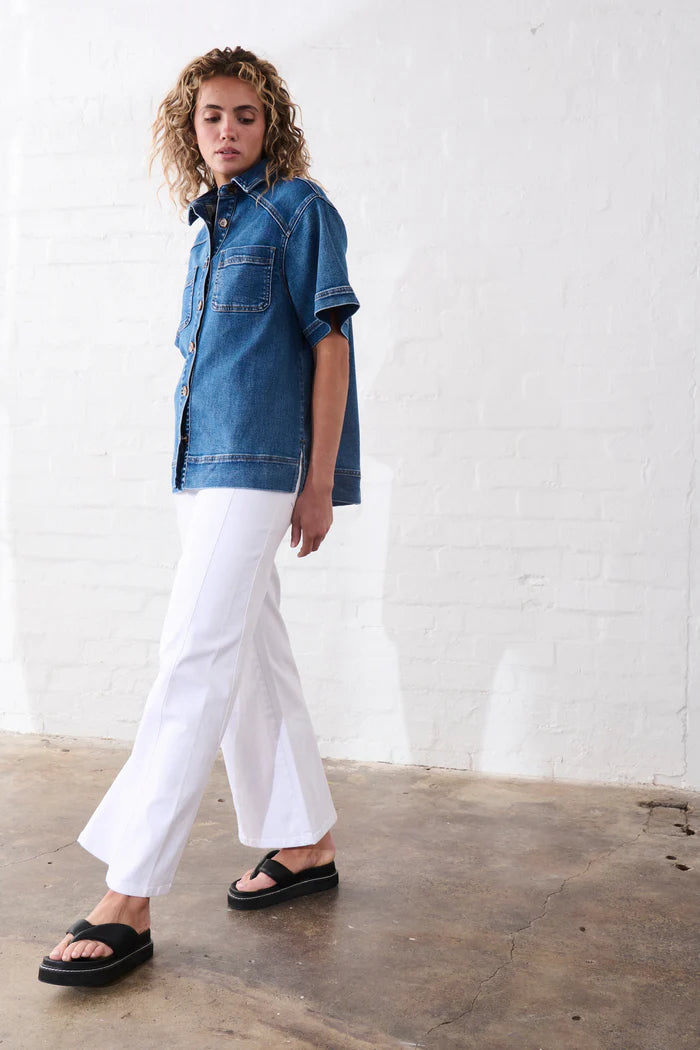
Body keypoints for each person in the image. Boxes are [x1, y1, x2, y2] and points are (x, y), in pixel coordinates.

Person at [38, 45, 361, 987]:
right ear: (190, 127)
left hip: (259, 468)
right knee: (253, 653)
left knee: (193, 658)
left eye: (245, 115)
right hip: (201, 467)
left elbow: (330, 346)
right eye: (211, 116)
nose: (228, 130)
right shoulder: (207, 230)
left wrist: (318, 481)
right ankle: (304, 841)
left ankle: (128, 894)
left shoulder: (297, 210)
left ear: (271, 124)